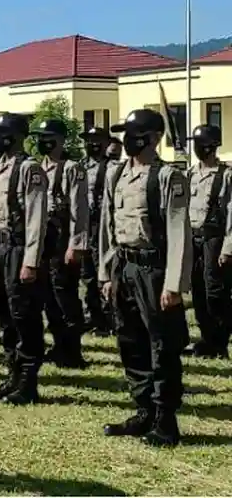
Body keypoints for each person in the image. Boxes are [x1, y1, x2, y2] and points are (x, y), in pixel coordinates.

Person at [99, 109, 191, 447]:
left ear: (153, 137)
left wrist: (174, 284)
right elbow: (107, 229)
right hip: (125, 267)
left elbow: (178, 230)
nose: (127, 140)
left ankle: (165, 421)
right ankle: (143, 411)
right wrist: (106, 273)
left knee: (161, 346)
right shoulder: (118, 175)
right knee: (130, 341)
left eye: (134, 133)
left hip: (154, 270)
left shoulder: (168, 176)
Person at [0, 113, 48, 405]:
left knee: (24, 315)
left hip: (18, 248)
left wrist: (31, 260)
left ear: (13, 136)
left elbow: (36, 218)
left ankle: (28, 382)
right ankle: (12, 374)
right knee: (5, 313)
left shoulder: (29, 169)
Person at [29, 119, 90, 369]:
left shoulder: (71, 169)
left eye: (48, 137)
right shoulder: (37, 167)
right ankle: (57, 343)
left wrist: (75, 245)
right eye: (40, 137)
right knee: (47, 297)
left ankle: (72, 350)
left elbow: (79, 209)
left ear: (61, 140)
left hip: (63, 237)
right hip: (44, 239)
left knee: (65, 296)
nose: (43, 142)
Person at [186, 124, 231, 359]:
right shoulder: (190, 173)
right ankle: (206, 339)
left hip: (215, 239)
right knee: (198, 292)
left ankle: (220, 341)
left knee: (216, 292)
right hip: (194, 239)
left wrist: (228, 247)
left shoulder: (226, 175)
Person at [80, 127, 116, 336]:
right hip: (83, 225)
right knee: (87, 275)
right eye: (89, 140)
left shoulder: (112, 167)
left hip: (101, 225)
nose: (93, 144)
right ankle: (92, 314)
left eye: (97, 140)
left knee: (104, 271)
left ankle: (107, 317)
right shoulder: (79, 167)